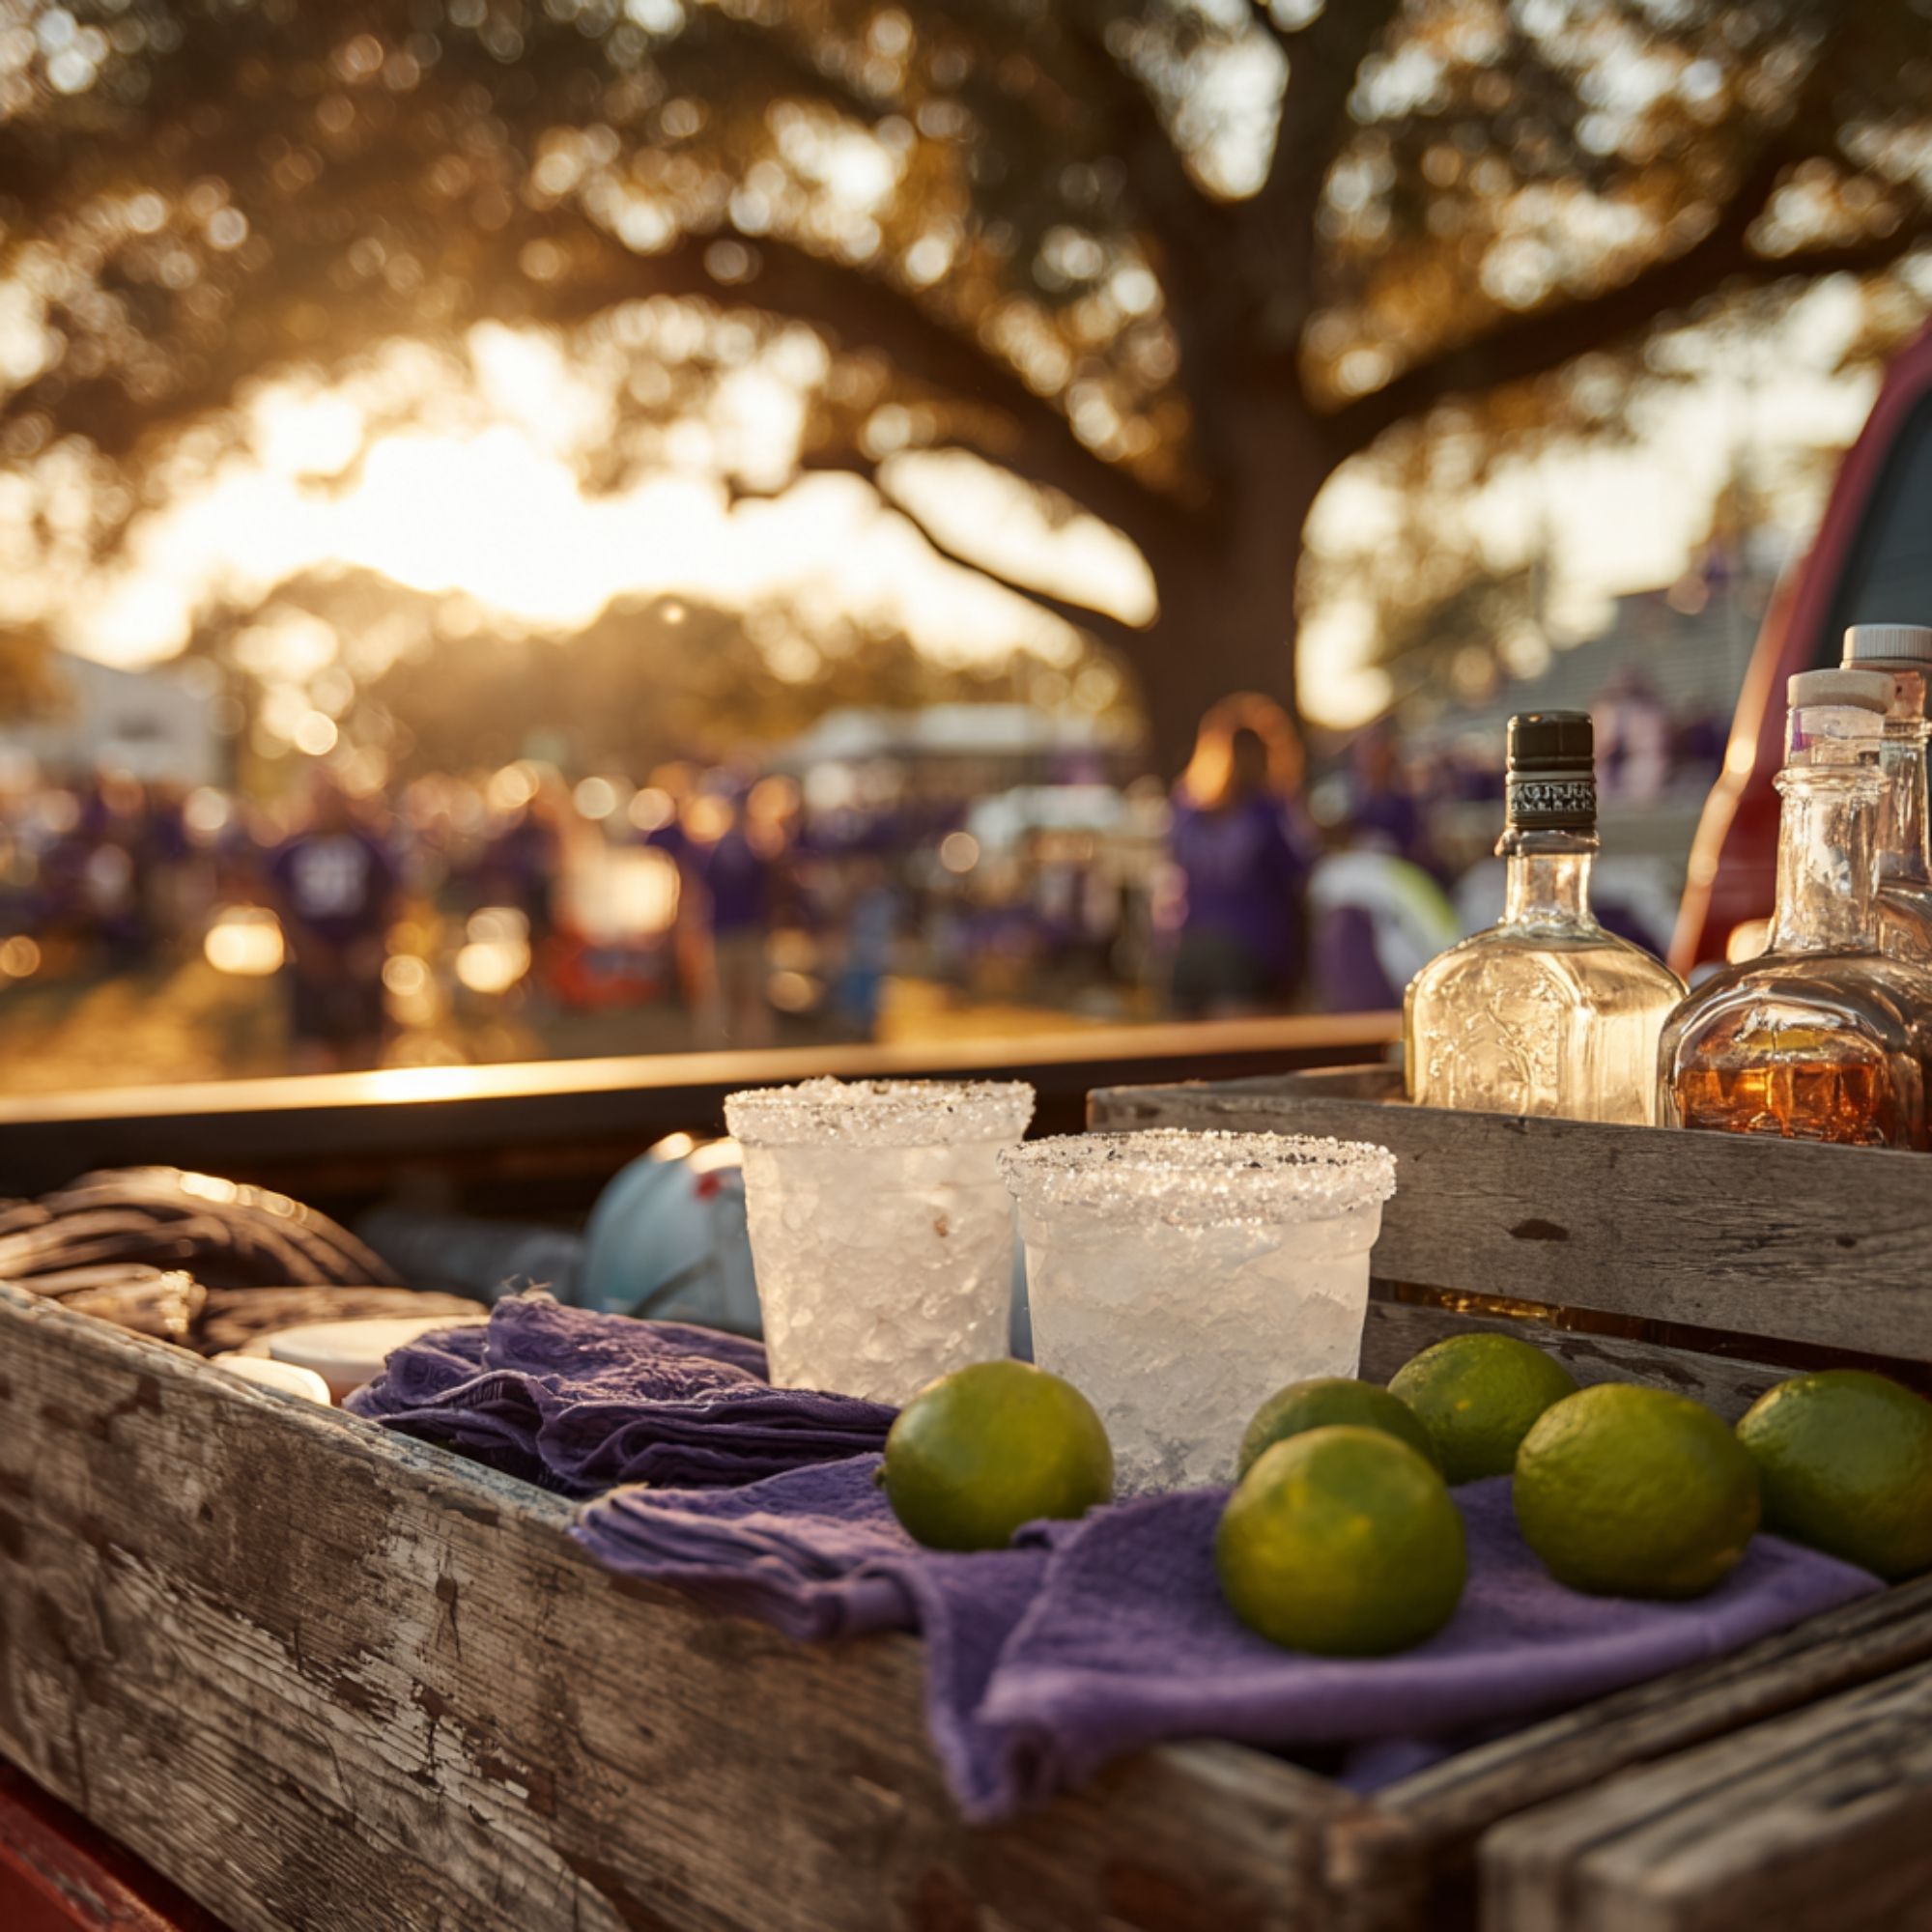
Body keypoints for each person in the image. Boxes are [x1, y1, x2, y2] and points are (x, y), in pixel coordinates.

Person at [1167, 695, 1314, 1016]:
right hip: (1248, 950)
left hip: (1189, 949)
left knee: (1188, 1062)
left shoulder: (1188, 811)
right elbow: (1300, 871)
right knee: (1243, 1062)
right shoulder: (1269, 811)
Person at [267, 776, 399, 1071]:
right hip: (310, 965)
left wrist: (374, 944)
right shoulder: (291, 850)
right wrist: (303, 948)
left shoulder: (369, 848)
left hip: (358, 961)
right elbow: (277, 900)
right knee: (311, 1052)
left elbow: (391, 897)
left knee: (364, 1048)